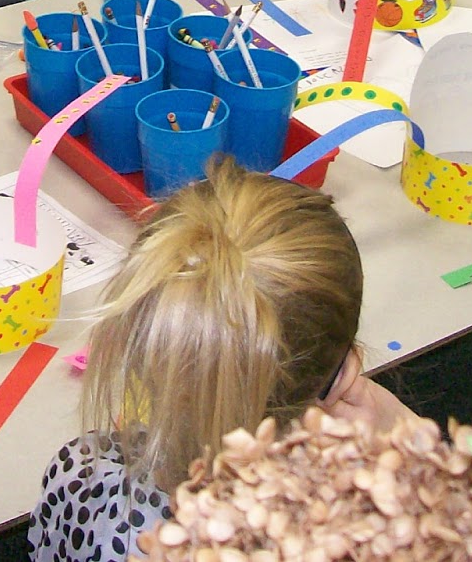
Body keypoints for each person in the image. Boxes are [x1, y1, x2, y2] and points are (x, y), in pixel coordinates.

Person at [28, 160, 413, 562]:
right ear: (344, 373)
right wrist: (411, 440)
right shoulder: (383, 529)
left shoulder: (84, 482)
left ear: (148, 345)